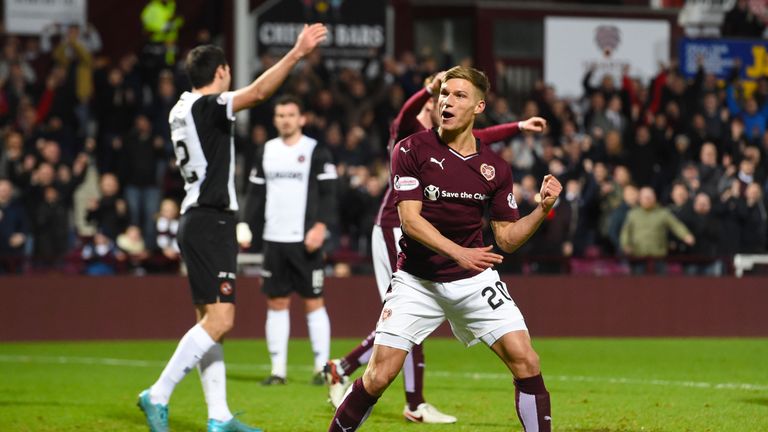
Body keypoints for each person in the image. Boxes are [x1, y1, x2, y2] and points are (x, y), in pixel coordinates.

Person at [328, 66, 562, 432]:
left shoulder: (496, 168)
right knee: (377, 376)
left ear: (479, 106)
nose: (447, 102)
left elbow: (506, 239)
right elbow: (410, 221)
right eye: (444, 94)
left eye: (459, 96)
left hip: (473, 281)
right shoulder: (410, 148)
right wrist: (462, 252)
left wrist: (542, 210)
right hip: (417, 280)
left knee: (526, 361)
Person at [137, 23, 327, 432]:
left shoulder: (180, 109)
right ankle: (158, 393)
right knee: (220, 322)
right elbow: (258, 93)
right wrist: (296, 53)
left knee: (211, 324)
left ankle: (219, 415)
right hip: (211, 220)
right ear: (222, 71)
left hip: (196, 219)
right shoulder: (207, 106)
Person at [243, 95, 338, 386]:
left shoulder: (315, 151)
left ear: (301, 119)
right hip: (274, 239)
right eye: (280, 115)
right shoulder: (266, 151)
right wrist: (246, 225)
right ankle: (278, 371)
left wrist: (320, 227)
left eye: (290, 114)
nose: (285, 119)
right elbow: (255, 193)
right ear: (275, 120)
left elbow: (329, 193)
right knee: (277, 302)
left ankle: (322, 368)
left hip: (306, 238)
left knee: (313, 302)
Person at [620, 187, 695, 275]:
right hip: (639, 257)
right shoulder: (633, 214)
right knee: (638, 286)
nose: (647, 200)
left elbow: (676, 225)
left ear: (654, 198)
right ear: (640, 199)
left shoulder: (663, 213)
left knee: (661, 286)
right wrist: (625, 245)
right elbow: (625, 232)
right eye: (645, 197)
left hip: (658, 257)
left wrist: (686, 235)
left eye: (650, 197)